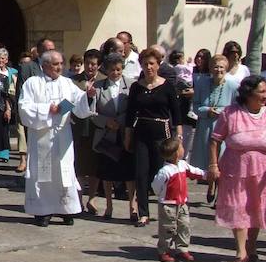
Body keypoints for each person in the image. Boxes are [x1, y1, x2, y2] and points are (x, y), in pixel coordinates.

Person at [208, 76, 266, 262]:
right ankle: (241, 251)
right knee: (239, 207)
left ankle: (251, 247)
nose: (265, 95)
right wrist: (213, 165)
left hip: (263, 172)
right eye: (261, 92)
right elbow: (215, 140)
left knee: (256, 208)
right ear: (248, 93)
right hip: (235, 170)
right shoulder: (230, 113)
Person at [18, 50, 96, 227]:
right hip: (42, 136)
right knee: (43, 174)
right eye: (55, 64)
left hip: (62, 135)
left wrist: (88, 96)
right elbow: (24, 107)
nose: (60, 67)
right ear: (44, 65)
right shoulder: (33, 83)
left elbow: (78, 104)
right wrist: (47, 109)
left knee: (64, 172)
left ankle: (66, 209)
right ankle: (43, 211)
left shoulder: (68, 83)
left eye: (61, 63)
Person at [124, 47, 182, 228]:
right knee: (141, 174)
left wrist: (179, 138)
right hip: (141, 133)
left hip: (161, 134)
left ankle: (166, 211)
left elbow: (176, 113)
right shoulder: (136, 87)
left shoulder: (167, 86)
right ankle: (143, 213)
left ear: (158, 65)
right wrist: (128, 135)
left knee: (160, 174)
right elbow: (130, 114)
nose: (148, 67)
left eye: (152, 64)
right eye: (145, 64)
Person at [92, 54, 136, 221]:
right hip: (106, 135)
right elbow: (92, 112)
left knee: (129, 172)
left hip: (125, 133)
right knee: (107, 172)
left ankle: (133, 206)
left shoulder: (131, 85)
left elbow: (133, 109)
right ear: (106, 70)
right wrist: (105, 121)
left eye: (118, 69)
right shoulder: (97, 86)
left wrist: (120, 121)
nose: (115, 73)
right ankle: (109, 206)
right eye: (112, 69)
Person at [150, 136, 205, 262]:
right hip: (168, 205)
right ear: (176, 153)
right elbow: (155, 186)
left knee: (184, 226)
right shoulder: (165, 171)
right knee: (168, 228)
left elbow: (195, 172)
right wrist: (161, 196)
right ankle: (164, 250)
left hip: (182, 203)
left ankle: (182, 249)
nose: (183, 149)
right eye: (181, 147)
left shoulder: (183, 165)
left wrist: (207, 174)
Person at [191, 55, 235, 205]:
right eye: (216, 67)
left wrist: (222, 112)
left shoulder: (233, 86)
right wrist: (206, 110)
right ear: (210, 68)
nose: (218, 70)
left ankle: (220, 194)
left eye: (222, 67)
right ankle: (211, 184)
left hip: (223, 128)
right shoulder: (202, 84)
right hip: (205, 126)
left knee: (222, 160)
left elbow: (236, 109)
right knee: (209, 160)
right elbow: (195, 106)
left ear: (226, 68)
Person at [14, 37, 55, 174]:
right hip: (38, 123)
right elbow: (22, 96)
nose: (51, 53)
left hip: (57, 128)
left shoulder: (61, 75)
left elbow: (72, 100)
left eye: (53, 50)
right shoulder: (28, 68)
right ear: (39, 51)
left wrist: (62, 112)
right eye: (48, 50)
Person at [71, 49, 103, 215]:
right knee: (79, 165)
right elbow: (68, 102)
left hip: (97, 128)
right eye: (88, 63)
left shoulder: (103, 81)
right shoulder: (74, 81)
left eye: (94, 64)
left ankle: (92, 198)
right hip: (78, 127)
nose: (90, 67)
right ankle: (79, 199)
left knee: (94, 166)